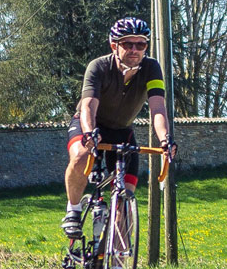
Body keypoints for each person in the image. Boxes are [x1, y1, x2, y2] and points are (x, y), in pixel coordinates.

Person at [60, 17, 178, 261]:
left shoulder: (152, 68)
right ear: (114, 45)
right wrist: (90, 133)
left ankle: (115, 259)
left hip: (123, 130)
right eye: (128, 44)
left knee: (126, 203)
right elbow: (88, 107)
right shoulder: (99, 67)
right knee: (81, 155)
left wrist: (165, 139)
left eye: (141, 44)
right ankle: (73, 209)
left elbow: (157, 109)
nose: (135, 50)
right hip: (90, 124)